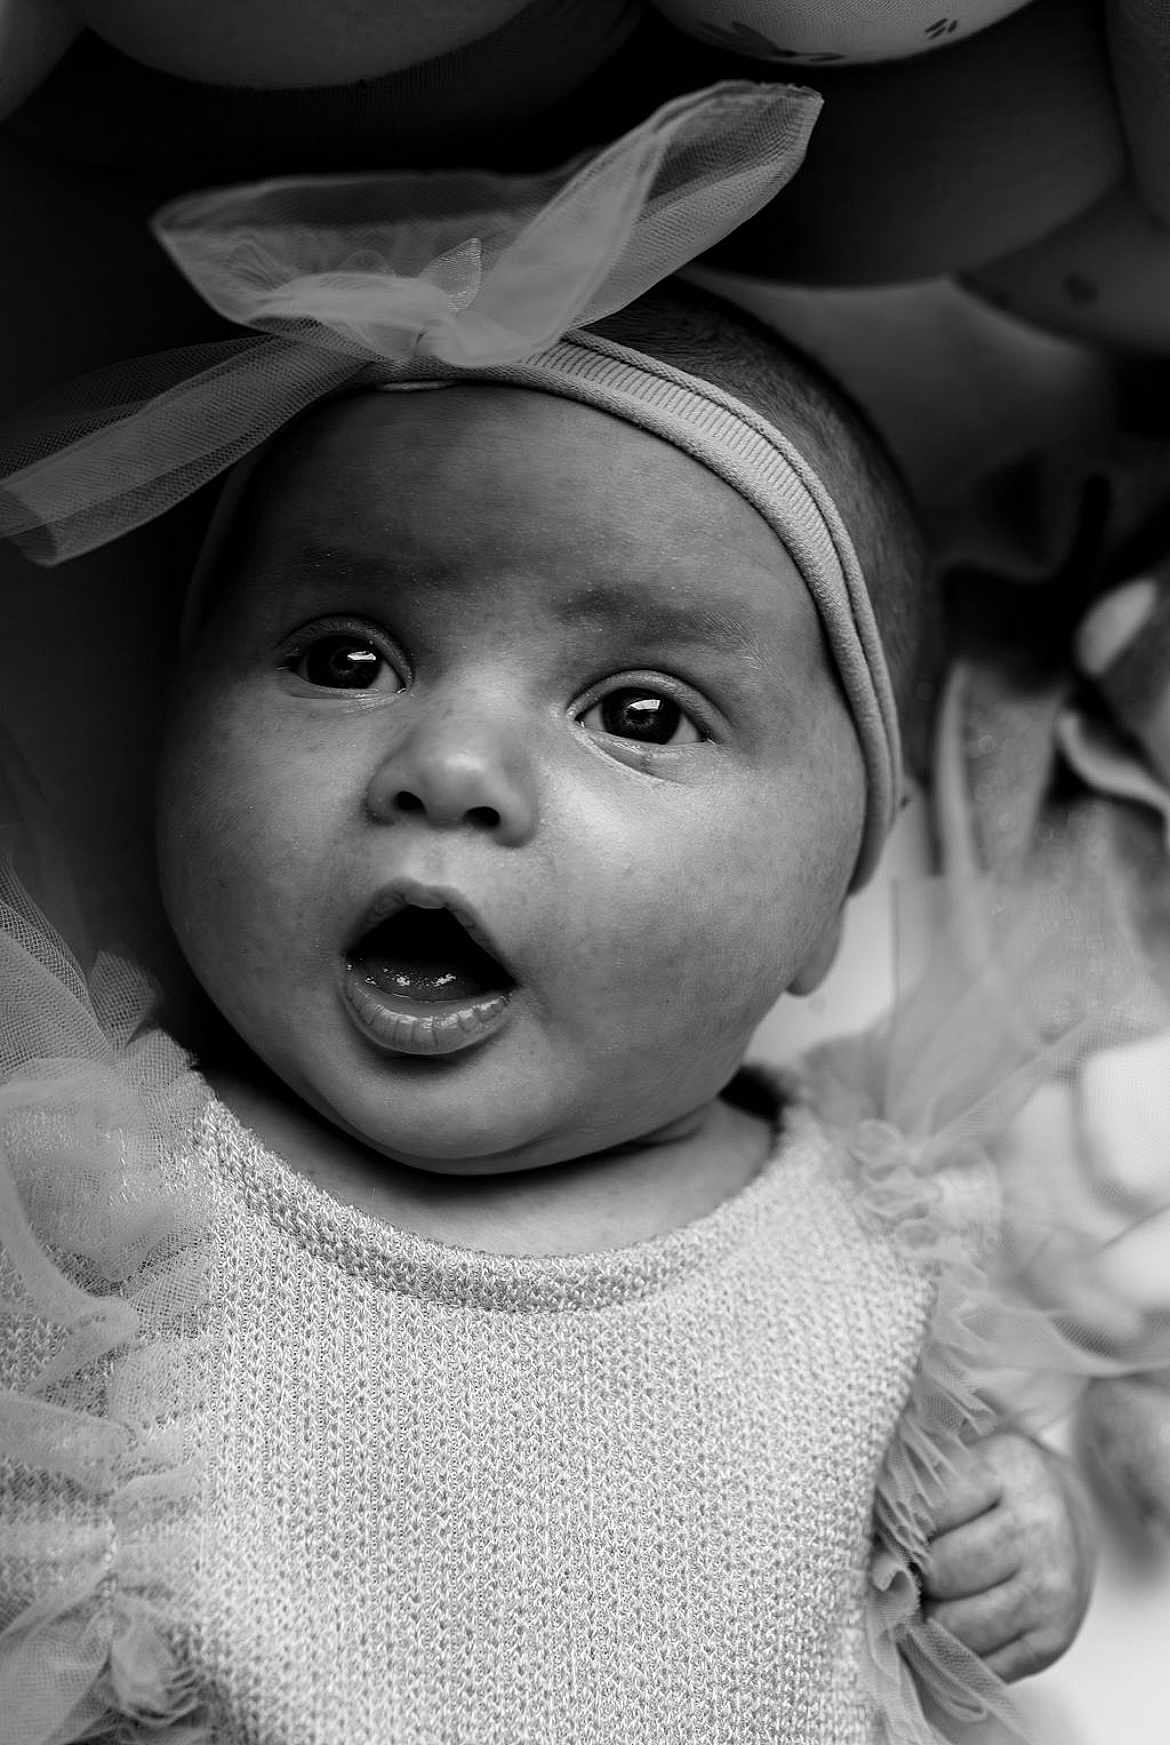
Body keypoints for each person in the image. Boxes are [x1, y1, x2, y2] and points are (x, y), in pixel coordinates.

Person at [0, 107, 1125, 1733]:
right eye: (343, 658)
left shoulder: (887, 1245)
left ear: (827, 904)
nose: (450, 764)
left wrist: (1014, 1529)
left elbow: (948, 1537)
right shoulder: (91, 1212)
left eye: (642, 711)